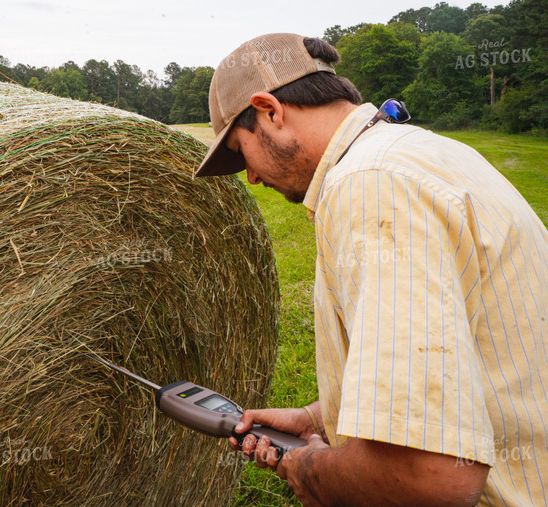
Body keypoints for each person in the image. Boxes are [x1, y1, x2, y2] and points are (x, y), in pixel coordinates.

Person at [195, 33, 548, 506]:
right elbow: (466, 360)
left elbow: (430, 476)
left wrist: (309, 468)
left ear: (269, 111)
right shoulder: (421, 153)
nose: (252, 177)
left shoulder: (370, 186)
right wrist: (320, 418)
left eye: (241, 153)